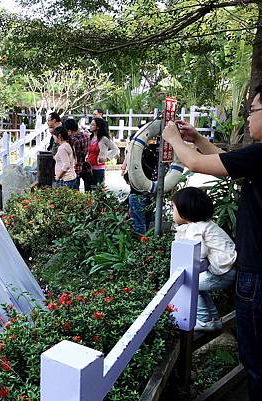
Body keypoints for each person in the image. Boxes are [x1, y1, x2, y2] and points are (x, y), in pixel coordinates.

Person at [162, 83, 262, 398]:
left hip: (258, 275)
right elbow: (226, 164)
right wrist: (199, 140)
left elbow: (196, 165)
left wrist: (174, 140)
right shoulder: (257, 158)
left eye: (253, 111)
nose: (248, 118)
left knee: (256, 361)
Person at [172, 187, 237, 332]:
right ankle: (213, 319)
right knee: (199, 286)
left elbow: (199, 251)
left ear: (185, 211)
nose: (172, 212)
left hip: (223, 272)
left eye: (174, 208)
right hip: (229, 268)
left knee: (190, 284)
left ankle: (203, 320)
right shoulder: (205, 224)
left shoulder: (195, 228)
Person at [121, 130, 157, 234]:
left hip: (137, 193)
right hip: (150, 191)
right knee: (147, 221)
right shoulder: (152, 152)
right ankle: (148, 244)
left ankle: (141, 244)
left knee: (138, 223)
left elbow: (130, 176)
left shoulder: (135, 155)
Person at [85, 117, 119, 191]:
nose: (90, 126)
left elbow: (115, 149)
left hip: (99, 169)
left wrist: (106, 158)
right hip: (89, 168)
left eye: (93, 125)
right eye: (90, 124)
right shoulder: (90, 137)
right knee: (88, 191)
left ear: (98, 127)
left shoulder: (104, 139)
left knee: (98, 191)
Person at [64, 118, 90, 190]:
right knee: (88, 189)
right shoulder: (87, 135)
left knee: (74, 190)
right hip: (86, 166)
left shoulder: (73, 140)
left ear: (69, 130)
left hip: (76, 167)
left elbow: (75, 156)